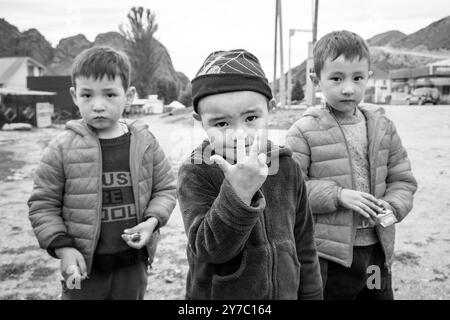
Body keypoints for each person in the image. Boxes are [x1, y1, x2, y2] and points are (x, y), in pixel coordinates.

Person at [28, 46, 176, 300]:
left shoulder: (145, 142)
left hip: (134, 265)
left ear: (128, 96)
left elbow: (165, 189)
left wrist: (151, 222)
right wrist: (63, 249)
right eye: (87, 95)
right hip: (80, 268)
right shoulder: (61, 147)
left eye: (109, 95)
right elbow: (42, 204)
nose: (98, 105)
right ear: (74, 96)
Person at [177, 49, 323, 300]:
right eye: (221, 124)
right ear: (200, 120)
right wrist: (238, 193)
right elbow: (208, 250)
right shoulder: (196, 171)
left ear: (270, 110)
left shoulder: (286, 166)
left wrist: (312, 294)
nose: (239, 134)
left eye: (251, 118)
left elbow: (304, 242)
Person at [286, 30, 418, 300]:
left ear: (368, 77)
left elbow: (403, 181)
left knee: (375, 296)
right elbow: (290, 190)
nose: (348, 88)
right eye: (336, 78)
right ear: (316, 80)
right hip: (326, 256)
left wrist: (390, 209)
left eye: (357, 78)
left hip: (375, 252)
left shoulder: (383, 126)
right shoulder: (303, 131)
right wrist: (338, 195)